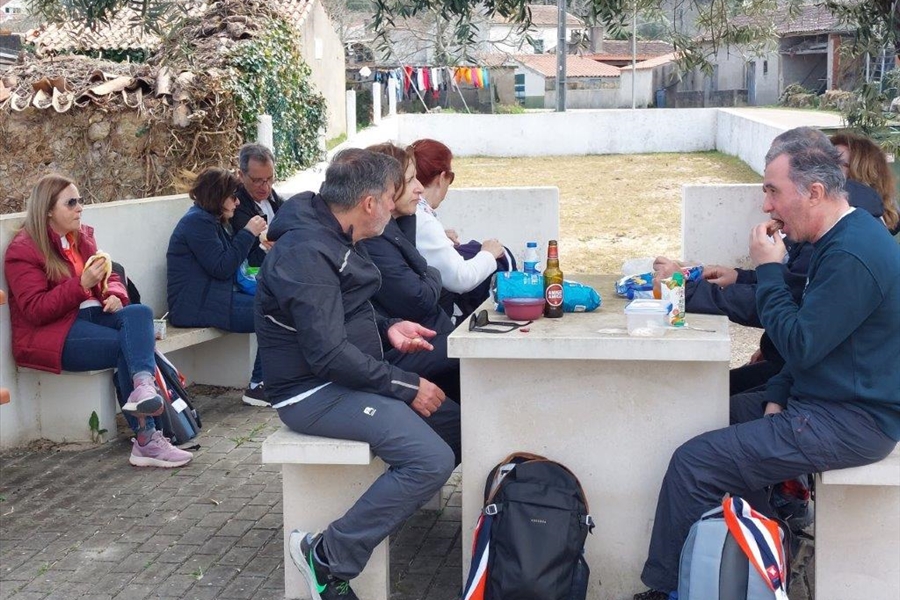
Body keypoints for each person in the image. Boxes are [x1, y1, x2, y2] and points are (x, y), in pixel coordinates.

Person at [634, 127, 900, 600]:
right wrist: (777, 395)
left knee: (694, 463)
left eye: (773, 192)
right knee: (702, 413)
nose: (766, 206)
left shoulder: (852, 253)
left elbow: (800, 343)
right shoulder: (839, 237)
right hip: (820, 403)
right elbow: (818, 344)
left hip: (851, 420)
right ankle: (759, 563)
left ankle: (669, 590)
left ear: (814, 192)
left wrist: (771, 269)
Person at [254, 147, 461, 600]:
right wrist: (406, 386)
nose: (395, 205)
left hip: (342, 378)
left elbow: (337, 313)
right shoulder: (306, 252)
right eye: (390, 196)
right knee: (431, 459)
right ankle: (327, 555)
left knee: (456, 426)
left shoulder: (329, 233)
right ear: (369, 203)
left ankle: (384, 514)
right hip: (311, 393)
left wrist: (389, 329)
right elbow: (328, 354)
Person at [4, 174, 193, 468]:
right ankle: (147, 440)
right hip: (54, 333)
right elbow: (35, 309)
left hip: (92, 317)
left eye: (80, 200)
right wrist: (81, 285)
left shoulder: (80, 237)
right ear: (48, 210)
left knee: (140, 313)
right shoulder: (23, 250)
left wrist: (115, 293)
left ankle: (144, 388)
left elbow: (111, 274)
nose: (80, 207)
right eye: (71, 203)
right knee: (125, 346)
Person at [360, 142, 462, 400]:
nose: (419, 187)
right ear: (388, 188)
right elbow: (419, 298)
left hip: (427, 337)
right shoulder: (375, 238)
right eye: (410, 180)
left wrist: (427, 275)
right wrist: (431, 273)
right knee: (478, 351)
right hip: (402, 352)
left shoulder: (400, 224)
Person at [166, 167, 269, 406]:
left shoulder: (210, 220)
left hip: (213, 299)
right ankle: (259, 385)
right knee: (273, 312)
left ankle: (268, 382)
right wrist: (248, 233)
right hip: (194, 306)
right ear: (217, 197)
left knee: (279, 306)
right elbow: (221, 267)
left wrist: (259, 243)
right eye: (233, 196)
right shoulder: (197, 222)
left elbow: (231, 261)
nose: (237, 202)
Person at [410, 138, 508, 319]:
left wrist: (439, 237)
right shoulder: (422, 218)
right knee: (502, 258)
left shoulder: (416, 214)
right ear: (442, 178)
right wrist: (489, 254)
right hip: (431, 318)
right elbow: (461, 279)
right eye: (451, 178)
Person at [830, 130, 900, 235]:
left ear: (862, 174)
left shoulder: (850, 220)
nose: (825, 167)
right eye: (826, 160)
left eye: (838, 163)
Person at [230, 143, 284, 267]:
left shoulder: (273, 197)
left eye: (269, 178)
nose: (265, 187)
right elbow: (251, 259)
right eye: (257, 180)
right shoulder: (235, 208)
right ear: (241, 175)